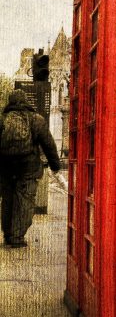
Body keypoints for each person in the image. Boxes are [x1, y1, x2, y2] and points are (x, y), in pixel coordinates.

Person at [1, 90, 60, 248]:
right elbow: (48, 145)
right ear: (26, 100)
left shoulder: (2, 119)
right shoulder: (36, 120)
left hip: (5, 169)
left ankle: (8, 235)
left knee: (8, 202)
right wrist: (55, 165)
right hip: (28, 168)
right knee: (25, 202)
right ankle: (17, 237)